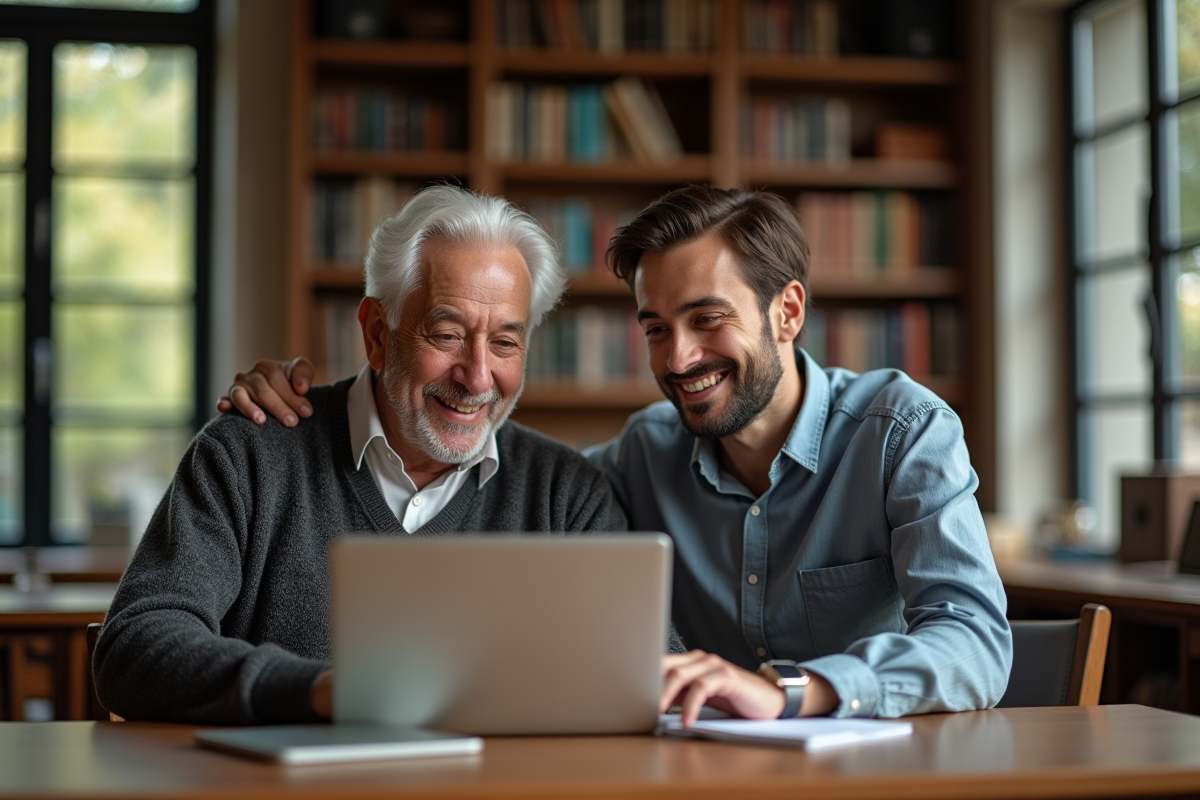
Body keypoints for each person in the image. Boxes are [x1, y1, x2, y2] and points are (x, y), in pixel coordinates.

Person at [224, 185, 1012, 725]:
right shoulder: (638, 457)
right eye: (656, 329)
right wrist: (306, 401)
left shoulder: (901, 432)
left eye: (707, 319)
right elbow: (497, 476)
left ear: (788, 311)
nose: (679, 358)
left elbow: (975, 642)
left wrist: (795, 692)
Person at [93, 185, 631, 724]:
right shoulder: (247, 456)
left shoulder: (568, 496)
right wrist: (321, 691)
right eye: (447, 335)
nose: (478, 378)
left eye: (505, 344)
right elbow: (135, 647)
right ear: (377, 333)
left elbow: (650, 671)